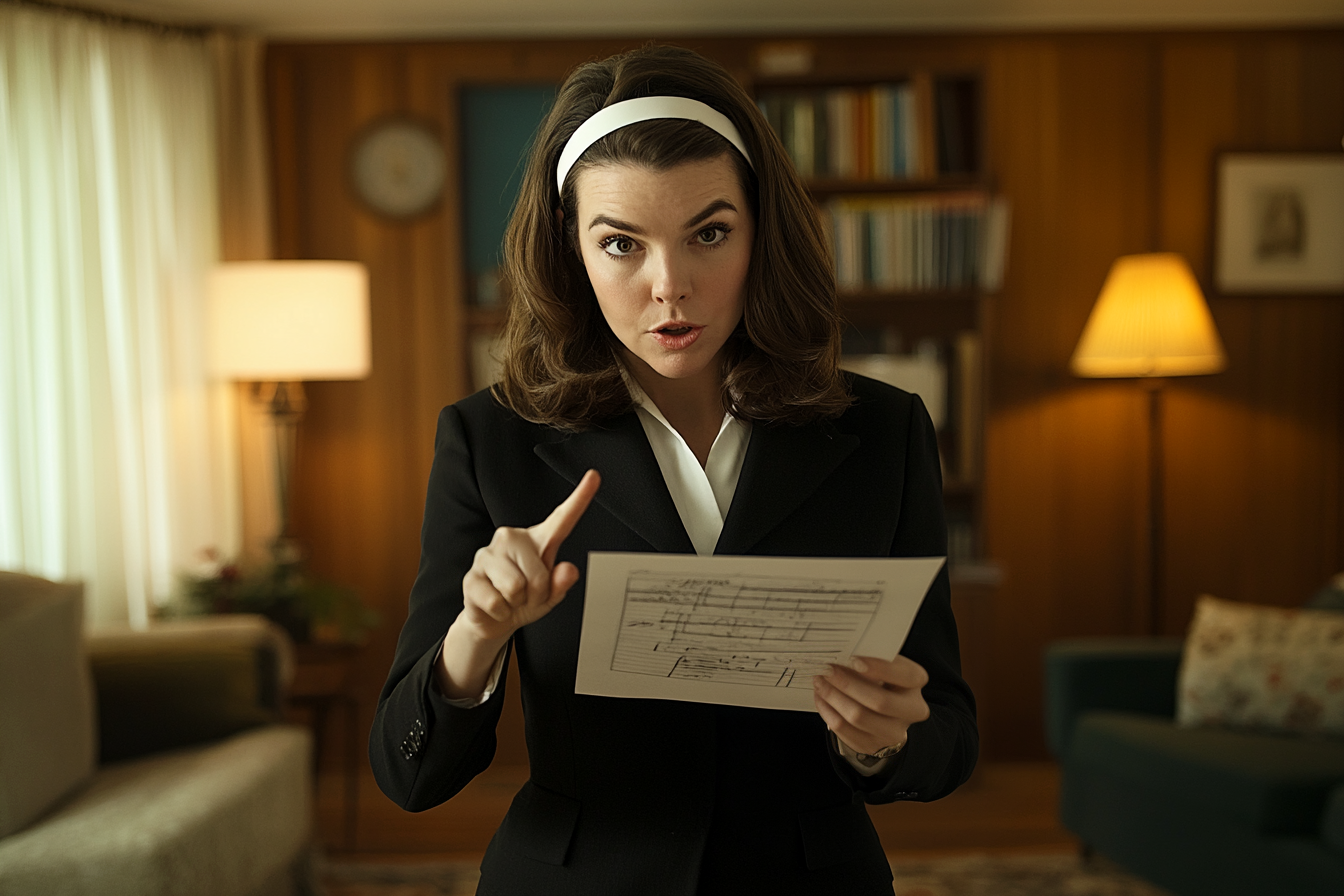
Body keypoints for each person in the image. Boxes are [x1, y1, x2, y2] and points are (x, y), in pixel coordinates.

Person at [370, 44, 977, 896]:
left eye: (711, 233)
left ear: (761, 231)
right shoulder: (489, 440)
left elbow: (946, 735)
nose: (671, 286)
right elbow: (409, 775)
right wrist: (477, 636)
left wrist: (881, 739)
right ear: (570, 251)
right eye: (621, 243)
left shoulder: (883, 430)